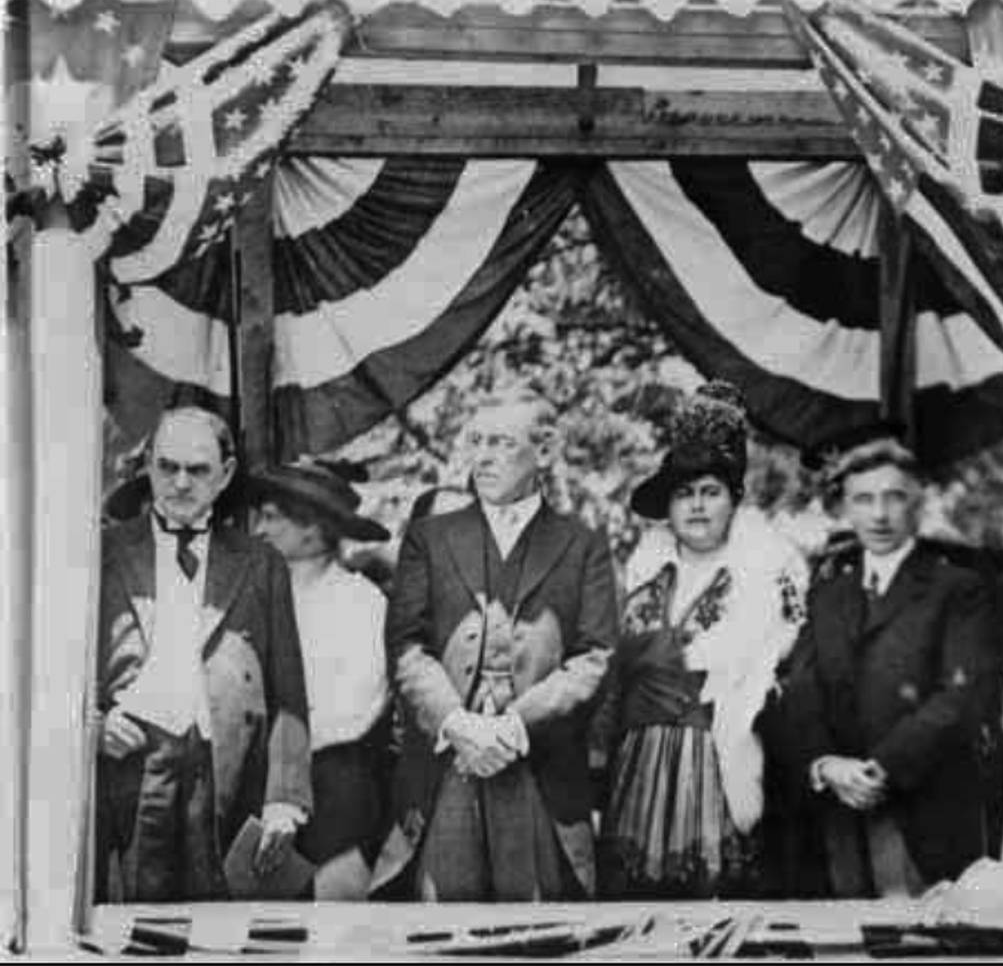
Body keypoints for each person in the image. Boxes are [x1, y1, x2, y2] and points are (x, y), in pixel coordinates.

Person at [371, 392, 619, 901]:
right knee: (440, 935)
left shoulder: (583, 544)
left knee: (536, 934)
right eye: (476, 442)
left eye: (502, 443)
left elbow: (595, 657)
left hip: (538, 769)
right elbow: (406, 646)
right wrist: (458, 724)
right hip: (447, 766)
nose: (482, 456)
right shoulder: (430, 538)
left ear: (545, 452)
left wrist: (511, 728)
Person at [767, 427, 1003, 899]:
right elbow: (802, 689)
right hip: (839, 815)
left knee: (919, 944)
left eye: (893, 497)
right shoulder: (827, 595)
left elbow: (960, 697)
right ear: (845, 508)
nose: (878, 514)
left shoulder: (958, 589)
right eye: (863, 499)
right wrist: (826, 764)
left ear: (918, 502)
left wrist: (882, 768)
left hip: (923, 808)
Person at [595, 382, 808, 898]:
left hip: (724, 743)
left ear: (733, 498)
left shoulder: (768, 565)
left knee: (720, 891)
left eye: (709, 492)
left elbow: (780, 660)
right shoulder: (647, 567)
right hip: (642, 749)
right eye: (683, 494)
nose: (696, 506)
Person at [95, 407, 311, 903]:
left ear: (226, 474)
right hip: (131, 770)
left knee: (221, 930)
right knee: (131, 924)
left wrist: (285, 799)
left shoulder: (261, 564)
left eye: (198, 470)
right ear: (147, 464)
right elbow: (55, 668)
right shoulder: (102, 553)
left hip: (228, 774)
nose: (180, 483)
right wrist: (93, 726)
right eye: (167, 467)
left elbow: (289, 687)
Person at [249, 460, 393, 900]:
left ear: (311, 528)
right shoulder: (256, 596)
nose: (259, 530)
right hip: (261, 786)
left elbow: (356, 708)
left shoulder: (360, 602)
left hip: (335, 791)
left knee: (330, 920)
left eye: (272, 518)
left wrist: (284, 744)